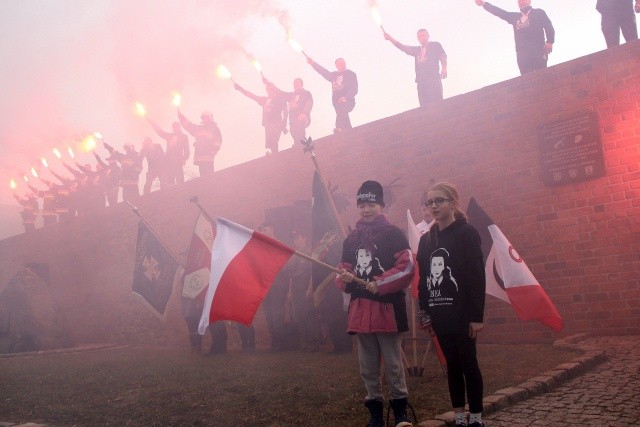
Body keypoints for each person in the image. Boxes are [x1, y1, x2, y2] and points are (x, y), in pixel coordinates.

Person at [336, 180, 416, 427]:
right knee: (368, 367)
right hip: (360, 312)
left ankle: (400, 411)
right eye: (362, 204)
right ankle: (375, 413)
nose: (366, 209)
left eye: (371, 204)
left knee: (393, 365)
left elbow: (407, 268)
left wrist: (379, 283)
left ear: (381, 205)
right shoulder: (351, 239)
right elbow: (341, 271)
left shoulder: (394, 234)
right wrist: (345, 277)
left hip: (387, 311)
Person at [416, 182, 486, 427]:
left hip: (464, 315)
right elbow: (423, 280)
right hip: (439, 314)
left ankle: (476, 417)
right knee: (452, 366)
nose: (433, 206)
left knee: (469, 364)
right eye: (429, 202)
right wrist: (424, 312)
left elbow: (477, 276)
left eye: (439, 201)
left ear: (453, 203)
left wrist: (477, 316)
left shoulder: (467, 233)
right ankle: (459, 416)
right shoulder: (426, 241)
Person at [475, 0, 555, 75]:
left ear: (529, 1)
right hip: (522, 54)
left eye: (523, 0)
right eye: (519, 1)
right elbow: (500, 12)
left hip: (538, 50)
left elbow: (548, 26)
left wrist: (550, 41)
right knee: (526, 80)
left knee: (541, 75)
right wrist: (484, 4)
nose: (521, 2)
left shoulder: (539, 12)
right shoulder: (514, 17)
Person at [384, 28, 448, 106]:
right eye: (419, 36)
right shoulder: (417, 50)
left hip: (433, 78)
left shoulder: (435, 45)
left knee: (438, 103)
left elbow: (442, 56)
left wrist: (444, 68)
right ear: (418, 38)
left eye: (423, 35)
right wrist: (390, 38)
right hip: (421, 82)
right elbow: (402, 47)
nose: (422, 37)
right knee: (424, 106)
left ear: (428, 36)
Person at [233, 81, 288, 155]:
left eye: (270, 88)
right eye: (267, 88)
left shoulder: (279, 99)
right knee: (271, 142)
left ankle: (275, 156)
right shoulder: (264, 100)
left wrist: (284, 122)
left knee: (273, 137)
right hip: (268, 124)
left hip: (277, 122)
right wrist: (240, 89)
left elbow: (285, 110)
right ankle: (275, 154)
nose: (269, 90)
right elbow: (251, 95)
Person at [307, 57, 358, 133]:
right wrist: (313, 64)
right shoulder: (333, 75)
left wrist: (346, 97)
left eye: (343, 63)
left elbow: (354, 89)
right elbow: (324, 72)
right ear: (336, 65)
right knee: (343, 115)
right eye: (340, 63)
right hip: (336, 102)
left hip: (348, 101)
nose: (342, 64)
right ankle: (350, 131)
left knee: (342, 107)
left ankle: (339, 127)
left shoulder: (351, 74)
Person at [265, 77, 314, 145]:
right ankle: (298, 145)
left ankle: (304, 144)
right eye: (294, 83)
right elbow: (280, 92)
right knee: (293, 131)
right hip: (293, 118)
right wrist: (268, 83)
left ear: (301, 84)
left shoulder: (306, 93)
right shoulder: (291, 95)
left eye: (296, 82)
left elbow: (310, 102)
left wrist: (305, 113)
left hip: (303, 115)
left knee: (300, 129)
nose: (295, 84)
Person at [177, 110, 221, 176]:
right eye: (203, 118)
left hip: (208, 156)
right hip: (200, 157)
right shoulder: (199, 128)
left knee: (210, 176)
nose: (204, 119)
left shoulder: (214, 128)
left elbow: (218, 141)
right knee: (202, 177)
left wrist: (213, 151)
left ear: (210, 118)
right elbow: (189, 126)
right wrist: (181, 116)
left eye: (206, 117)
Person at [148, 119, 190, 185]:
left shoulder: (184, 137)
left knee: (180, 178)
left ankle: (182, 192)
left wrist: (184, 158)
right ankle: (171, 194)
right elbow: (160, 132)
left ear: (179, 127)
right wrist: (152, 123)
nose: (175, 128)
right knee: (170, 179)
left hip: (178, 160)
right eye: (174, 127)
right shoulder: (169, 136)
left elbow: (186, 149)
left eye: (176, 127)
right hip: (168, 160)